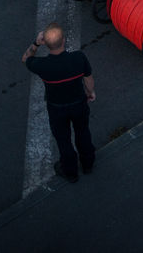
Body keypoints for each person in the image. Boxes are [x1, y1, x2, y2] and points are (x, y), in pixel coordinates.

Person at [23, 23, 96, 182]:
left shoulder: (41, 65)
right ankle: (88, 164)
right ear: (63, 40)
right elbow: (88, 79)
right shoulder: (78, 57)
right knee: (83, 132)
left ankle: (71, 172)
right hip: (79, 104)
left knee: (63, 140)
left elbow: (26, 58)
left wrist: (36, 43)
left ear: (46, 44)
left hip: (56, 108)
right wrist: (90, 92)